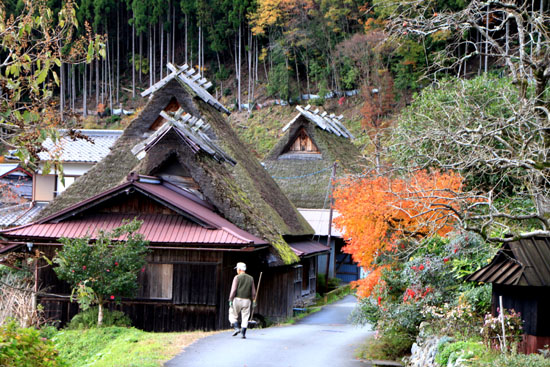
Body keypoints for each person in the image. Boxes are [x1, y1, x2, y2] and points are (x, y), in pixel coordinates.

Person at [228, 262, 256, 339]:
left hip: (237, 299)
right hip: (247, 301)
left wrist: (230, 299)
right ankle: (243, 333)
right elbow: (253, 292)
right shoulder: (251, 278)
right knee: (245, 317)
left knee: (232, 314)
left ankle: (236, 328)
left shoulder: (236, 277)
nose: (236, 270)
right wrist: (254, 300)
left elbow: (233, 290)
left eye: (237, 269)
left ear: (239, 269)